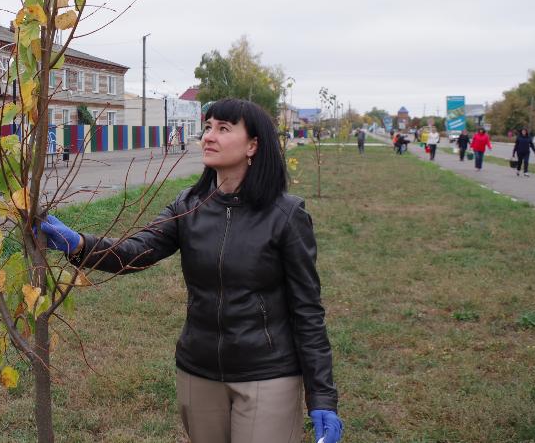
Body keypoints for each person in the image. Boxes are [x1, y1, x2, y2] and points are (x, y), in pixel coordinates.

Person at [39, 99, 342, 443]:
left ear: (253, 145)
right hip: (199, 371)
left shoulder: (286, 216)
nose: (209, 136)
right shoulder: (188, 206)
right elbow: (136, 252)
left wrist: (322, 397)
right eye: (208, 126)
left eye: (224, 129)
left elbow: (307, 309)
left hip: (267, 373)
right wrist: (78, 244)